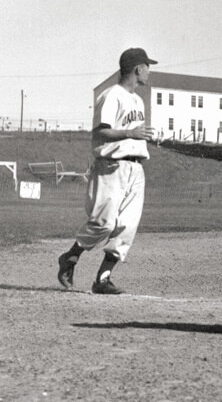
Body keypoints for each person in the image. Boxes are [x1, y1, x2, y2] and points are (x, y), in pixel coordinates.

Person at [57, 48, 158, 294]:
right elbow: (99, 132)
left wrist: (140, 139)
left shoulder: (137, 100)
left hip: (136, 169)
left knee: (127, 226)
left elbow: (131, 134)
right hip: (111, 168)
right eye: (147, 66)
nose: (149, 70)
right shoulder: (111, 95)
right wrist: (130, 133)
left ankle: (102, 279)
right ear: (137, 68)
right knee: (103, 224)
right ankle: (70, 257)